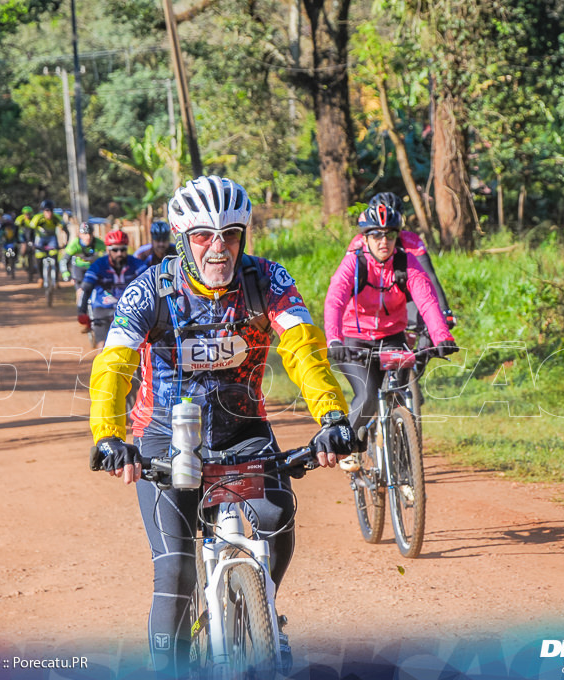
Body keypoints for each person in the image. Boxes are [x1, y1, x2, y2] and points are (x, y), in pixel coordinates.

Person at [87, 175, 361, 676]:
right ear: (180, 237)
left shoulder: (266, 281)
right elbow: (115, 363)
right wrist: (109, 436)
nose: (219, 249)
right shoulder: (151, 288)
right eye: (203, 236)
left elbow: (302, 347)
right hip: (165, 441)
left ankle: (262, 616)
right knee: (176, 572)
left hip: (245, 432)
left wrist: (332, 417)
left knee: (278, 521)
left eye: (231, 234)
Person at [324, 201, 458, 436]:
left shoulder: (407, 264)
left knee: (399, 395)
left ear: (398, 237)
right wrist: (334, 341)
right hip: (355, 339)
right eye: (375, 234)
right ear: (364, 238)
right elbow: (335, 301)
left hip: (392, 338)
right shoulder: (354, 265)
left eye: (390, 235)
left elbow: (427, 301)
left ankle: (402, 458)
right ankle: (346, 446)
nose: (383, 241)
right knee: (366, 397)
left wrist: (442, 336)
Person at [357, 192, 456, 333]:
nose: (385, 232)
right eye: (377, 233)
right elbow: (346, 284)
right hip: (369, 298)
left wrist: (444, 311)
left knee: (428, 324)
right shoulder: (358, 242)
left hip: (403, 294)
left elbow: (430, 277)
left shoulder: (412, 241)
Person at [77, 230, 147, 347]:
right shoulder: (98, 265)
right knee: (103, 346)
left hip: (128, 311)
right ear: (108, 250)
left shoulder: (136, 264)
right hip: (102, 309)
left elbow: (148, 283)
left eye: (123, 249)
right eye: (115, 250)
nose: (119, 253)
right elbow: (87, 288)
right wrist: (82, 312)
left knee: (136, 346)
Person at [63, 221, 106, 288]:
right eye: (85, 234)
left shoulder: (99, 243)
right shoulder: (74, 245)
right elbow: (65, 260)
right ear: (80, 234)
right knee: (80, 290)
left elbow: (107, 258)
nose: (88, 237)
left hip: (92, 267)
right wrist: (66, 273)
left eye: (90, 234)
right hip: (78, 267)